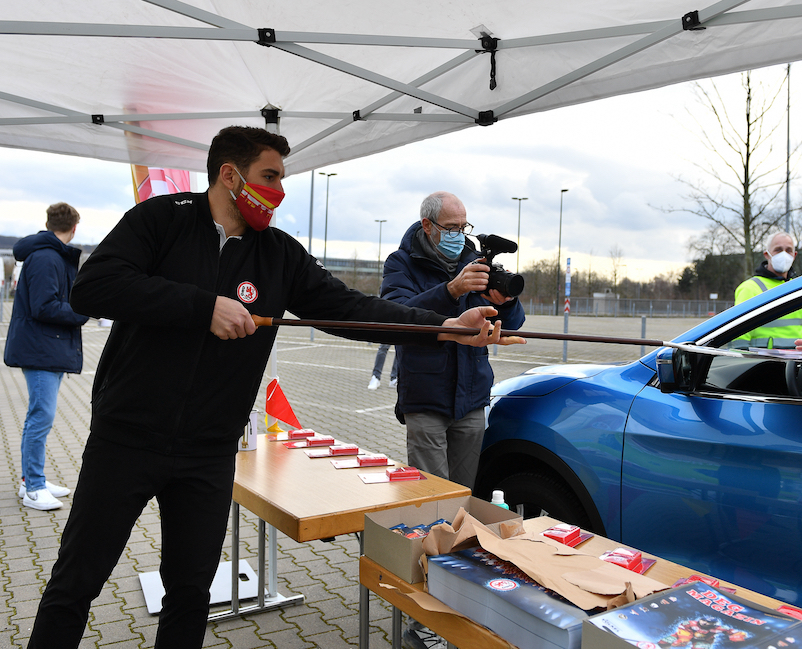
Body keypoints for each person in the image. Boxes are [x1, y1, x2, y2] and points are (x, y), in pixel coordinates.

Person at [26, 126, 523, 649]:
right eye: (270, 176)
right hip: (125, 440)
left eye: (281, 178)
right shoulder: (160, 219)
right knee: (76, 581)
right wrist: (202, 306)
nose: (279, 191)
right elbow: (94, 287)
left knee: (191, 592)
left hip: (209, 451)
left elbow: (351, 309)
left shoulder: (279, 253)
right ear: (228, 174)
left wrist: (444, 327)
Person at [381, 191, 526, 489]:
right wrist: (451, 290)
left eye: (463, 227)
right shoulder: (401, 263)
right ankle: (432, 536)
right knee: (433, 493)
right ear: (427, 225)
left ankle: (460, 536)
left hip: (471, 398)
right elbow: (397, 315)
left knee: (464, 492)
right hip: (426, 397)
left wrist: (506, 302)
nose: (458, 235)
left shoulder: (476, 261)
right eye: (451, 228)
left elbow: (511, 326)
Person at [4, 202, 90, 511]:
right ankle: (33, 486)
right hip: (39, 349)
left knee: (40, 416)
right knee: (41, 417)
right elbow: (44, 306)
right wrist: (83, 312)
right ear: (74, 227)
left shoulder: (49, 256)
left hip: (44, 348)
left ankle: (33, 479)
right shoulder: (46, 258)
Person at [733, 231, 802, 348]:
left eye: (789, 250)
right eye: (778, 250)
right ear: (767, 254)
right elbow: (739, 334)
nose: (784, 254)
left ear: (794, 255)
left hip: (794, 360)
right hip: (763, 362)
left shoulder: (798, 287)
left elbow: (800, 328)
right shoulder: (750, 287)